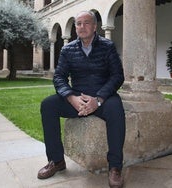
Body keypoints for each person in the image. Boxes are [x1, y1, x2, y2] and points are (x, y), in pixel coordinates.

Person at [37, 10, 125, 188]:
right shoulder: (67, 49)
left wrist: (98, 100)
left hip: (103, 98)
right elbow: (59, 77)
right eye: (78, 23)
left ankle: (115, 167)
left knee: (117, 109)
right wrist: (71, 97)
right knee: (48, 106)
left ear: (94, 27)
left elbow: (117, 76)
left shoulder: (107, 46)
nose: (82, 27)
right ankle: (57, 160)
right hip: (77, 97)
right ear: (75, 27)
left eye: (86, 23)